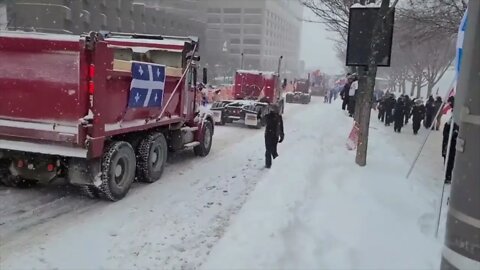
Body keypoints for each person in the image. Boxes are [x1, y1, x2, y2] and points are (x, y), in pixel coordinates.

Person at [442, 97, 458, 184]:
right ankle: (448, 175)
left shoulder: (456, 119)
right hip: (449, 142)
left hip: (452, 143)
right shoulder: (452, 118)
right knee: (448, 159)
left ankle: (448, 176)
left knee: (450, 160)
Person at [264, 104, 284, 169]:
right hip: (271, 135)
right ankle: (270, 164)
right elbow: (264, 121)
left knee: (271, 151)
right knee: (270, 151)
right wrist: (281, 135)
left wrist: (282, 135)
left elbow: (281, 127)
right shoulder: (272, 116)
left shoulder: (276, 117)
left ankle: (273, 164)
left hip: (272, 135)